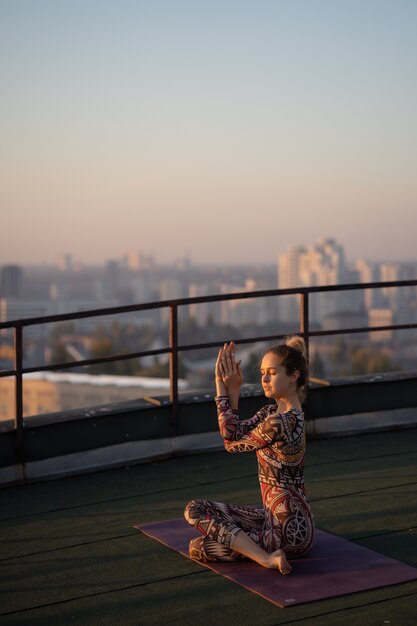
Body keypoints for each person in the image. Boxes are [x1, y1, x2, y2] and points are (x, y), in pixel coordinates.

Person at [184, 336, 314, 575]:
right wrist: (232, 389)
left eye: (272, 373)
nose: (264, 378)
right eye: (263, 372)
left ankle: (265, 558)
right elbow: (232, 433)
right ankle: (264, 553)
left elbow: (230, 444)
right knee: (198, 546)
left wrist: (221, 387)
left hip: (285, 532)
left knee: (195, 515)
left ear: (294, 375)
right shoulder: (272, 412)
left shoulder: (280, 422)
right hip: (278, 520)